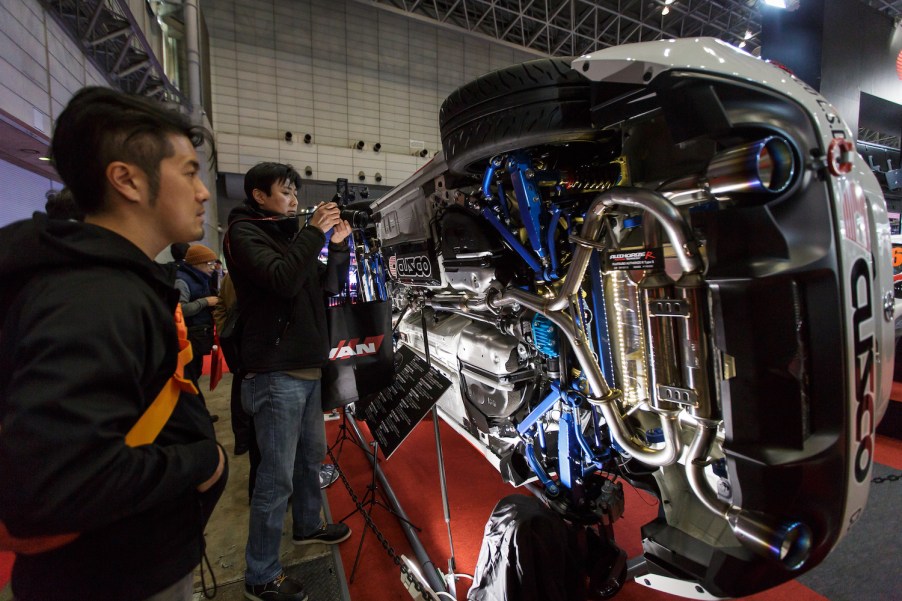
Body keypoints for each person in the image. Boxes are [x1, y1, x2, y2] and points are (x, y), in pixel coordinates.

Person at [0, 86, 226, 601]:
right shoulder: (94, 297)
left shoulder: (104, 280)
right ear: (126, 179)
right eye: (189, 172)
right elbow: (54, 484)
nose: (203, 191)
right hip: (112, 576)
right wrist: (202, 462)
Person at [225, 162, 352, 601]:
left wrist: (337, 247)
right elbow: (281, 280)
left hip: (305, 366)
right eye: (286, 192)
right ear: (259, 196)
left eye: (296, 193)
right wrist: (313, 233)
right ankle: (260, 574)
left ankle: (308, 524)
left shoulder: (286, 237)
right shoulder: (243, 233)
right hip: (274, 371)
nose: (295, 200)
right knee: (274, 477)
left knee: (311, 456)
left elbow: (328, 288)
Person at [176, 243, 220, 393]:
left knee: (196, 373)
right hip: (189, 336)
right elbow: (180, 309)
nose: (213, 267)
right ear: (197, 263)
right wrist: (205, 302)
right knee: (190, 374)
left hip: (199, 333)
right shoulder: (182, 281)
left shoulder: (201, 278)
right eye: (209, 263)